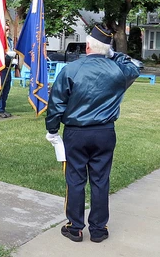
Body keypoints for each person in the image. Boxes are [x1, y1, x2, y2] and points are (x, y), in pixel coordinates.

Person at [45, 25, 139, 243]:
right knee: (100, 180)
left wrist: (52, 129)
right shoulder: (118, 69)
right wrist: (113, 53)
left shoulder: (71, 69)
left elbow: (57, 103)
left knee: (75, 180)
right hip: (105, 132)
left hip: (76, 133)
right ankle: (98, 229)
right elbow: (134, 67)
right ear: (107, 49)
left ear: (87, 46)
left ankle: (75, 227)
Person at [0, 24, 18, 118]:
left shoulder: (10, 41)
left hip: (8, 68)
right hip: (1, 69)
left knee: (6, 90)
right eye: (6, 30)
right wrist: (8, 58)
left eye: (8, 29)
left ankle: (2, 108)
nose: (8, 31)